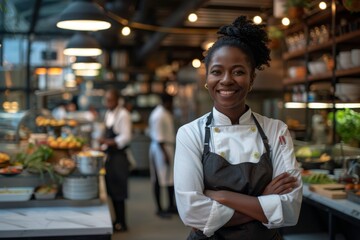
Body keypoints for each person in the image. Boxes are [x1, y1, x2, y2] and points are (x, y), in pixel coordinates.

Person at [174, 16, 302, 239]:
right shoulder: (190, 133)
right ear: (207, 79)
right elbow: (192, 214)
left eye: (238, 71)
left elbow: (290, 209)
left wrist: (223, 197)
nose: (226, 80)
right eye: (216, 71)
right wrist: (262, 202)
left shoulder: (276, 130)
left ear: (252, 79)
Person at [99, 89, 132, 232]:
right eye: (106, 100)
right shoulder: (108, 113)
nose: (108, 103)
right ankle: (116, 220)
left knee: (119, 190)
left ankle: (122, 223)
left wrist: (107, 141)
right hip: (110, 157)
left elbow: (126, 137)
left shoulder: (123, 114)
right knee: (112, 190)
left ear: (117, 100)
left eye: (110, 100)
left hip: (119, 157)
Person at [148, 93, 177, 218]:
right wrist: (165, 154)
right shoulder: (158, 115)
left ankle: (171, 205)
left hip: (167, 147)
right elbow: (159, 137)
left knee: (170, 179)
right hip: (160, 149)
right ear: (167, 102)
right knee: (158, 180)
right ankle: (159, 208)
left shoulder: (165, 112)